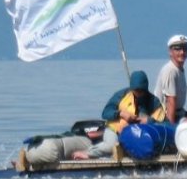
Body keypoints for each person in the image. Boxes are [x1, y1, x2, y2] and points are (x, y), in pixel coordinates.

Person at [22, 69, 170, 166]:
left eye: (141, 91)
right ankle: (87, 154)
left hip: (137, 135)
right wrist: (121, 114)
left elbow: (164, 123)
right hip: (115, 129)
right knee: (111, 146)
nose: (138, 93)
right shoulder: (122, 95)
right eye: (136, 90)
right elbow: (106, 112)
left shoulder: (153, 102)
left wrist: (148, 121)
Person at [154, 33, 187, 123]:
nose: (182, 52)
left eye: (184, 49)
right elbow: (170, 101)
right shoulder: (170, 70)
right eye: (177, 49)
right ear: (170, 52)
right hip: (164, 116)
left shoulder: (179, 69)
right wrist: (171, 128)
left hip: (179, 112)